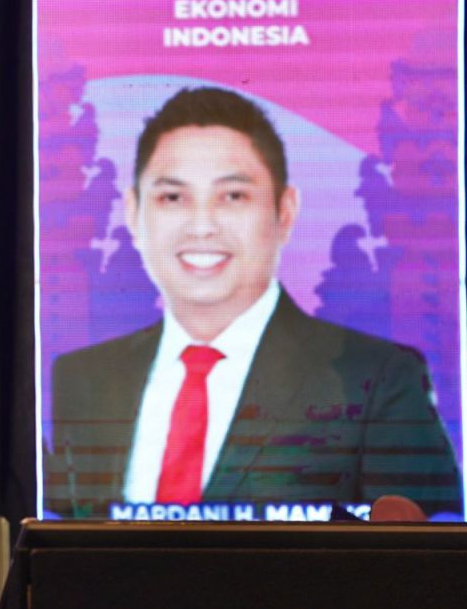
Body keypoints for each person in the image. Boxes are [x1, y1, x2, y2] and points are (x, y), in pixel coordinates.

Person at [45, 87, 461, 519]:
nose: (202, 226)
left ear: (285, 211)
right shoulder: (82, 379)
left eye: (233, 196)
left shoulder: (378, 379)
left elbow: (429, 550)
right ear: (133, 213)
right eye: (172, 197)